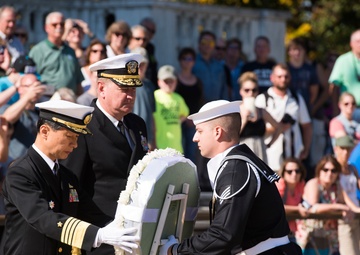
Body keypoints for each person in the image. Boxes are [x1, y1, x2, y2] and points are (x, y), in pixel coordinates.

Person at [160, 100, 302, 255]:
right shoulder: (239, 164)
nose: (195, 138)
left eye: (199, 131)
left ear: (217, 132)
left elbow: (222, 235)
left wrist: (175, 250)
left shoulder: (235, 170)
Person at [0, 100, 139, 255]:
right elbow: (43, 218)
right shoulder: (20, 173)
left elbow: (93, 215)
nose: (75, 144)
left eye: (77, 137)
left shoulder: (66, 177)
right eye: (69, 136)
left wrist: (130, 231)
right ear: (45, 131)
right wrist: (98, 235)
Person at [61, 53, 148, 255]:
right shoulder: (83, 125)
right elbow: (70, 183)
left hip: (134, 230)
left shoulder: (136, 124)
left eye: (133, 89)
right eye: (124, 88)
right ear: (101, 89)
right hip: (100, 233)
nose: (130, 95)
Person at [255, 64, 312, 173]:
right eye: (279, 76)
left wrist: (306, 148)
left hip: (294, 155)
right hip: (270, 155)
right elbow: (256, 129)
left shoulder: (296, 98)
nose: (283, 79)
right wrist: (278, 127)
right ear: (272, 78)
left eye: (286, 76)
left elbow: (307, 125)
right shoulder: (262, 99)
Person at [300, 154, 360, 255]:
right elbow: (313, 207)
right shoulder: (314, 184)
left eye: (333, 170)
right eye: (325, 169)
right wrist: (338, 207)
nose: (329, 173)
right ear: (319, 170)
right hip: (311, 235)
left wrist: (352, 209)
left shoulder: (336, 186)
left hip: (330, 237)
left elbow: (346, 202)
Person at [29, 12, 84, 96]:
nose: (59, 27)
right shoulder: (38, 50)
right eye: (54, 24)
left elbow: (77, 81)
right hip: (47, 99)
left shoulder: (70, 51)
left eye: (62, 24)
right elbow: (30, 79)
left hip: (70, 100)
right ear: (46, 28)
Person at [0, 73, 46, 163]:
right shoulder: (9, 108)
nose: (34, 90)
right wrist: (28, 96)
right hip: (15, 165)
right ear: (20, 89)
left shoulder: (40, 112)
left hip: (36, 165)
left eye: (37, 86)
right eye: (29, 86)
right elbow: (6, 119)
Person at [239, 71, 282, 164]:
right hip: (243, 150)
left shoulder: (262, 111)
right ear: (241, 91)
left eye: (254, 90)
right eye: (247, 90)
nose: (250, 93)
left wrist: (269, 144)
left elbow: (278, 127)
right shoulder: (236, 110)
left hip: (260, 150)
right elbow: (232, 136)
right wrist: (244, 120)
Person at [175, 47, 204, 164]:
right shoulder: (174, 80)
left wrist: (195, 119)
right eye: (184, 58)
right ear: (180, 61)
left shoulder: (198, 81)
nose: (187, 61)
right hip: (178, 121)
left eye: (190, 58)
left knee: (192, 153)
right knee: (178, 150)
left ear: (194, 61)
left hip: (193, 122)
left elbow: (200, 102)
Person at [333, 135, 360, 255]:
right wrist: (355, 208)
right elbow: (341, 193)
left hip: (356, 216)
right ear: (336, 149)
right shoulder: (332, 169)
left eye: (348, 149)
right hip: (343, 217)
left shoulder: (352, 168)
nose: (345, 152)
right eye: (343, 148)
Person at [154, 65, 189, 153]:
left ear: (176, 81)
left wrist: (178, 121)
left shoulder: (178, 98)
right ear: (159, 82)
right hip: (159, 145)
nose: (169, 84)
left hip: (176, 146)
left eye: (171, 81)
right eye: (166, 81)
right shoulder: (154, 96)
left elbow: (185, 113)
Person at [329, 29, 360, 122]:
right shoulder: (343, 60)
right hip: (349, 111)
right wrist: (335, 109)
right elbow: (333, 86)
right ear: (351, 43)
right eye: (358, 41)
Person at [275, 157, 309, 243]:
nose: (294, 174)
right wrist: (298, 209)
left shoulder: (300, 185)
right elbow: (276, 207)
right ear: (283, 173)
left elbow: (306, 202)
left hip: (292, 232)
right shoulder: (280, 184)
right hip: (276, 233)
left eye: (297, 171)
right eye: (289, 171)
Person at [192, 30, 228, 103]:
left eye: (211, 43)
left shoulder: (219, 66)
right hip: (198, 106)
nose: (207, 45)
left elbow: (224, 89)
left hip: (217, 106)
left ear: (214, 46)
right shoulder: (193, 63)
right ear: (199, 45)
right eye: (204, 42)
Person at [131, 47, 156, 150]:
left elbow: (152, 116)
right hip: (131, 136)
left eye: (143, 63)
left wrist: (153, 141)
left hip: (147, 139)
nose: (140, 67)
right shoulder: (126, 85)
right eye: (137, 64)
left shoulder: (150, 85)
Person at [140, 17, 158, 86]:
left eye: (152, 31)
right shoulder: (131, 47)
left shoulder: (151, 48)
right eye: (147, 29)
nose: (149, 33)